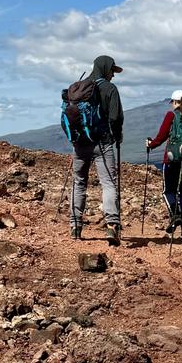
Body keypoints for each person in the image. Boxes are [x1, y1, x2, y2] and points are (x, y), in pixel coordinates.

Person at [70, 55, 124, 245]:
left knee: (79, 182)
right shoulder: (110, 89)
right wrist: (117, 136)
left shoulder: (79, 87)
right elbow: (116, 118)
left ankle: (75, 226)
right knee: (108, 183)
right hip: (103, 143)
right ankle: (112, 226)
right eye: (112, 71)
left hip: (80, 143)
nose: (113, 75)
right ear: (105, 69)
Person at [145, 90, 182, 239]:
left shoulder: (171, 116)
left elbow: (162, 136)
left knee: (168, 191)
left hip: (171, 159)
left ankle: (175, 214)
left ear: (175, 102)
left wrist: (151, 144)